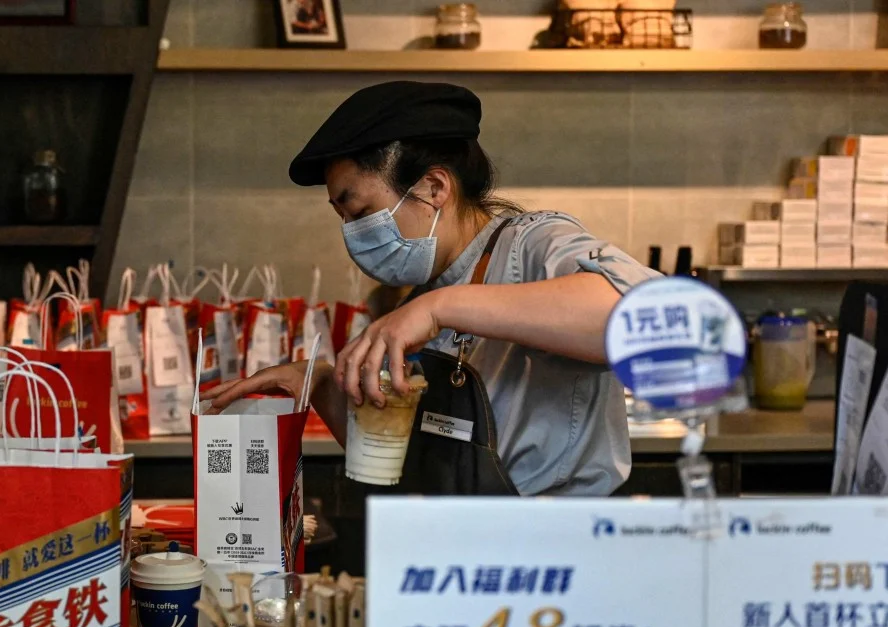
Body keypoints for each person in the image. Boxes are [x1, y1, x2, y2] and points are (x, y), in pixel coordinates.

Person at [201, 81, 660, 496]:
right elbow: (408, 467)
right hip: (459, 559)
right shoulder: (422, 295)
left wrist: (443, 308)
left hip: (555, 556)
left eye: (360, 212)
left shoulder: (532, 245)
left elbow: (650, 319)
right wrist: (319, 383)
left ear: (434, 187)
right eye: (343, 219)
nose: (352, 234)